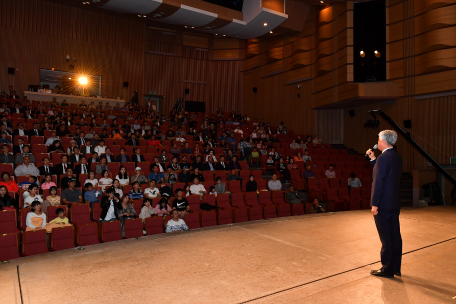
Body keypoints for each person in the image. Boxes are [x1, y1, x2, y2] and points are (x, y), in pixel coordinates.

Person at [366, 130, 403, 278]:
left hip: (384, 204)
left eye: (378, 139)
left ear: (382, 141)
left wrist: (375, 204)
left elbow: (379, 181)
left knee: (386, 238)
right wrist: (373, 159)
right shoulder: (396, 156)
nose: (378, 141)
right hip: (394, 202)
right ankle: (396, 267)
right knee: (395, 236)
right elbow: (386, 174)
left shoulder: (383, 158)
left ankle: (387, 269)